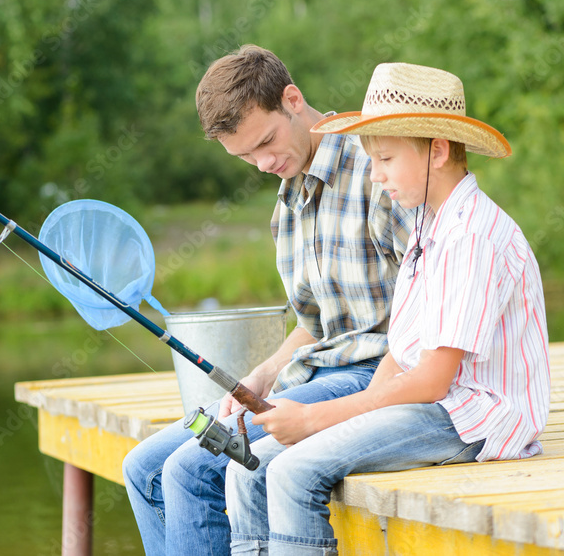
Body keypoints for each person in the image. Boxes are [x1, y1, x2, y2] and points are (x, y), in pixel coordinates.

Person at [225, 62, 551, 556]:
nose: (375, 176)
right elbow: (400, 354)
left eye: (385, 159)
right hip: (427, 404)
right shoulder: (426, 224)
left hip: (471, 417)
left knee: (293, 471)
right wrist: (340, 420)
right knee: (247, 465)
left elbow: (433, 381)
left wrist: (315, 421)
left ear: (437, 151)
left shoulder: (472, 236)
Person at [122, 45, 416, 555]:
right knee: (143, 468)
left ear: (293, 99)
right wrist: (257, 379)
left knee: (193, 471)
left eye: (266, 142)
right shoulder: (286, 205)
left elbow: (429, 299)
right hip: (314, 371)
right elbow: (313, 325)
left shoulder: (378, 170)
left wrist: (368, 396)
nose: (263, 164)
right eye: (245, 157)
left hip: (376, 374)